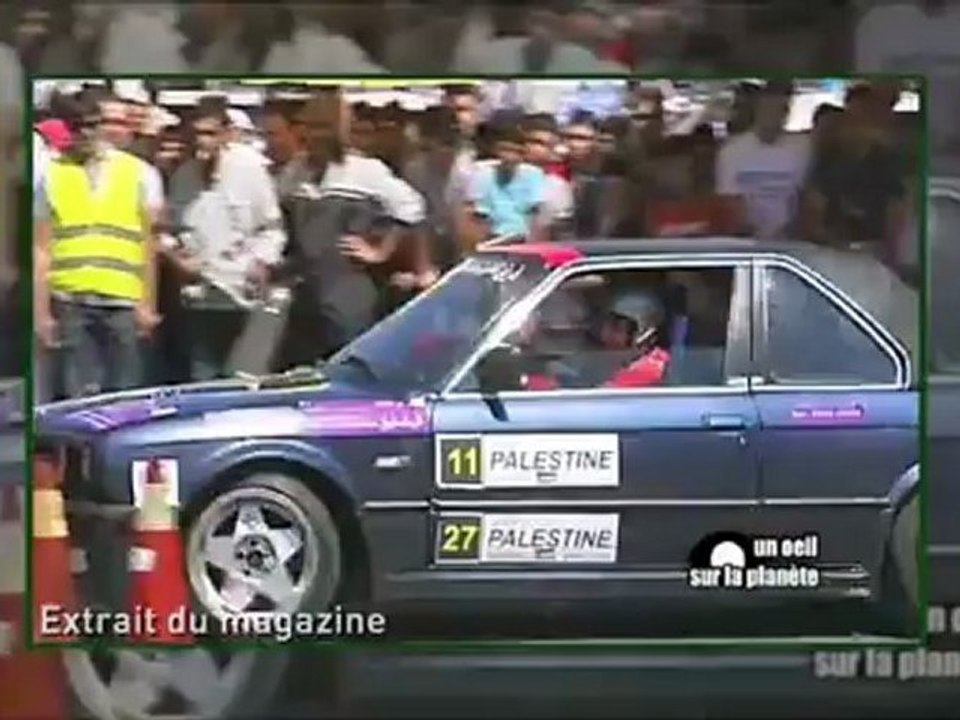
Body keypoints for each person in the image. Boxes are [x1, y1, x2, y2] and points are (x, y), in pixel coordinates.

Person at [275, 88, 425, 368]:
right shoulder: (296, 171)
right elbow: (280, 215)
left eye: (320, 128)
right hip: (307, 290)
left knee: (347, 361)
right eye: (308, 127)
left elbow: (410, 207)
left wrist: (380, 251)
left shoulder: (365, 170)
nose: (312, 136)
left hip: (348, 287)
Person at [34, 88, 163, 399]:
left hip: (123, 302)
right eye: (77, 126)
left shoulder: (139, 173)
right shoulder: (50, 174)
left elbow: (148, 246)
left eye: (92, 125)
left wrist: (147, 304)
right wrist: (41, 313)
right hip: (70, 300)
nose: (86, 133)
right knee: (78, 399)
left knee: (126, 396)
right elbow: (41, 249)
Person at [165, 95, 287, 381]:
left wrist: (261, 261)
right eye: (196, 134)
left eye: (209, 133)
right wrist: (175, 257)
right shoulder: (182, 177)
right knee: (201, 379)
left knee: (242, 379)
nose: (201, 141)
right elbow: (168, 232)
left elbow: (272, 229)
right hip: (200, 296)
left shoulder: (250, 172)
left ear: (225, 135)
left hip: (243, 295)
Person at [715, 80, 811, 239]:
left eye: (780, 109)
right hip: (747, 238)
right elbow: (730, 200)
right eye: (767, 109)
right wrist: (749, 230)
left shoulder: (802, 148)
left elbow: (804, 196)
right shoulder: (731, 151)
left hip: (790, 237)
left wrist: (794, 230)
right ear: (757, 110)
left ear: (786, 113)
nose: (773, 115)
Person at [523, 288, 671, 391]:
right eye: (607, 324)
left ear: (645, 336)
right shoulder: (609, 358)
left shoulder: (650, 367)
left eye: (619, 328)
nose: (607, 333)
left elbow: (599, 397)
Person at [466, 118, 548, 244]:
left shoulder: (534, 175)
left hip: (523, 238)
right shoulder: (482, 174)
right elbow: (478, 216)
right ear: (496, 150)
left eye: (516, 151)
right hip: (492, 238)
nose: (510, 156)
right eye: (505, 150)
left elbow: (535, 217)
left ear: (523, 154)